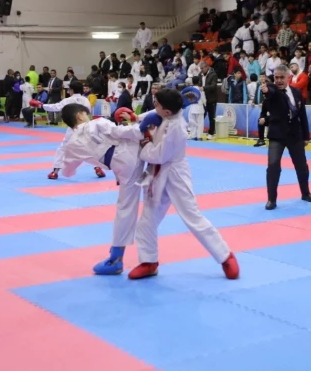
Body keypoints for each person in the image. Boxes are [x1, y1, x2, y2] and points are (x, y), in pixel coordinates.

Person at [127, 88, 240, 280]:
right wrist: (136, 118)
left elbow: (159, 155)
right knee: (147, 220)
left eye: (157, 103)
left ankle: (225, 256)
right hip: (158, 175)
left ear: (167, 111)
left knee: (192, 216)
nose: (154, 105)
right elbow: (154, 114)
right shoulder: (167, 113)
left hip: (175, 174)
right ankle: (149, 261)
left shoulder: (177, 128)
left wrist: (145, 141)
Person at [60, 104, 154, 275]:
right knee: (156, 121)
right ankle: (159, 120)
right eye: (86, 114)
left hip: (122, 167)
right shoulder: (97, 123)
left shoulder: (71, 145)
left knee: (125, 208)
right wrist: (141, 130)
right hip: (134, 151)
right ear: (80, 115)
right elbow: (119, 132)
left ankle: (116, 258)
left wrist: (82, 158)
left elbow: (67, 172)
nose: (88, 116)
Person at [260, 65, 311, 210]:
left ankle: (305, 193)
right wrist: (266, 90)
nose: (279, 80)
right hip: (277, 135)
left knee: (302, 166)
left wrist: (306, 136)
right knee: (273, 166)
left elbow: (302, 115)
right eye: (276, 77)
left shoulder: (296, 92)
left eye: (281, 77)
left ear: (288, 77)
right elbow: (270, 91)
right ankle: (271, 199)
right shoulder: (273, 91)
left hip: (295, 134)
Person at [30, 81, 105, 180]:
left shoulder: (68, 100)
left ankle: (55, 171)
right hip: (86, 126)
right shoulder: (85, 100)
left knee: (63, 148)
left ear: (71, 90)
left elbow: (56, 107)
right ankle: (98, 168)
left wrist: (41, 105)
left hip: (73, 127)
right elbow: (88, 112)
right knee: (90, 147)